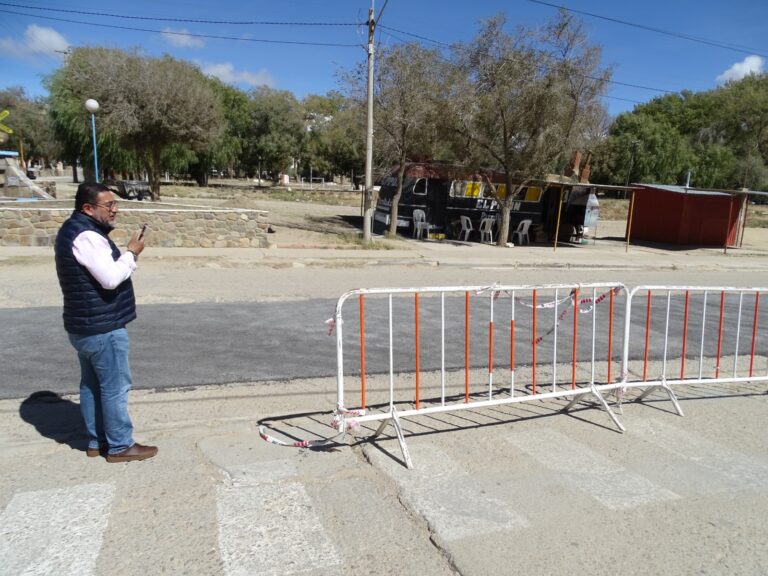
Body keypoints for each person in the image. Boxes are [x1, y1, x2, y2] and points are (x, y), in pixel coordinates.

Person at [55, 182, 158, 463]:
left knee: (92, 386)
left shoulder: (73, 230)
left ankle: (97, 441)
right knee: (114, 387)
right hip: (102, 327)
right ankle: (119, 445)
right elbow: (111, 278)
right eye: (108, 205)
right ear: (87, 208)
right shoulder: (87, 236)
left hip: (85, 325)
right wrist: (132, 253)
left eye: (115, 204)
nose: (114, 210)